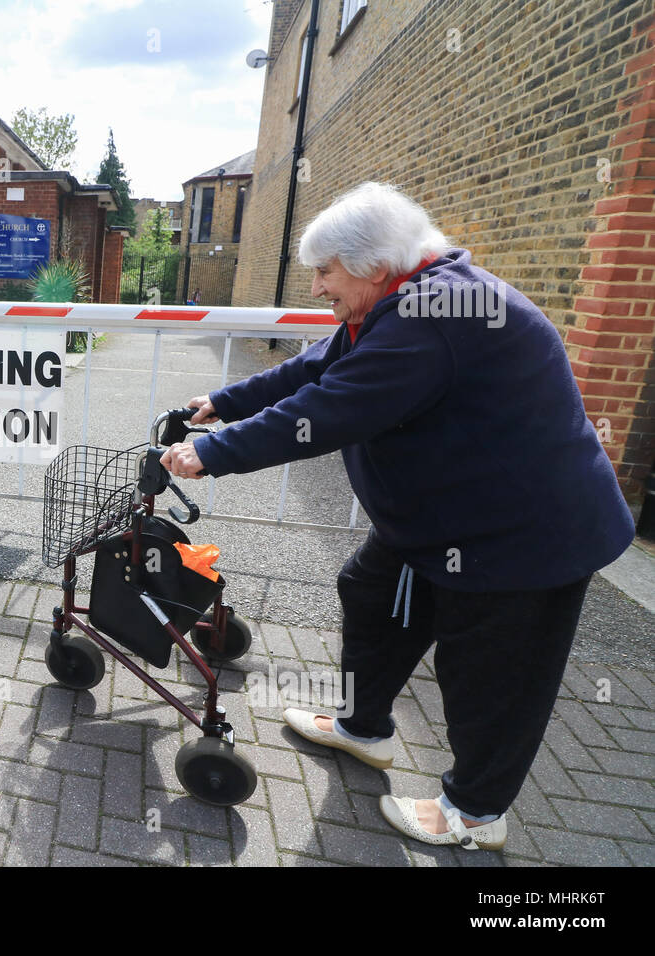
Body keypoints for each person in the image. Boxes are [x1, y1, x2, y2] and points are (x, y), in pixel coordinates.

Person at [160, 181, 634, 850]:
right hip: (443, 521)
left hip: (523, 534)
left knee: (493, 675)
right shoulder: (402, 300)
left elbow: (330, 408)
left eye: (326, 272)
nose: (317, 287)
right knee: (373, 596)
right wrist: (228, 402)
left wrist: (212, 452)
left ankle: (475, 814)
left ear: (375, 265)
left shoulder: (433, 317)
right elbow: (320, 367)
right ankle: (364, 729)